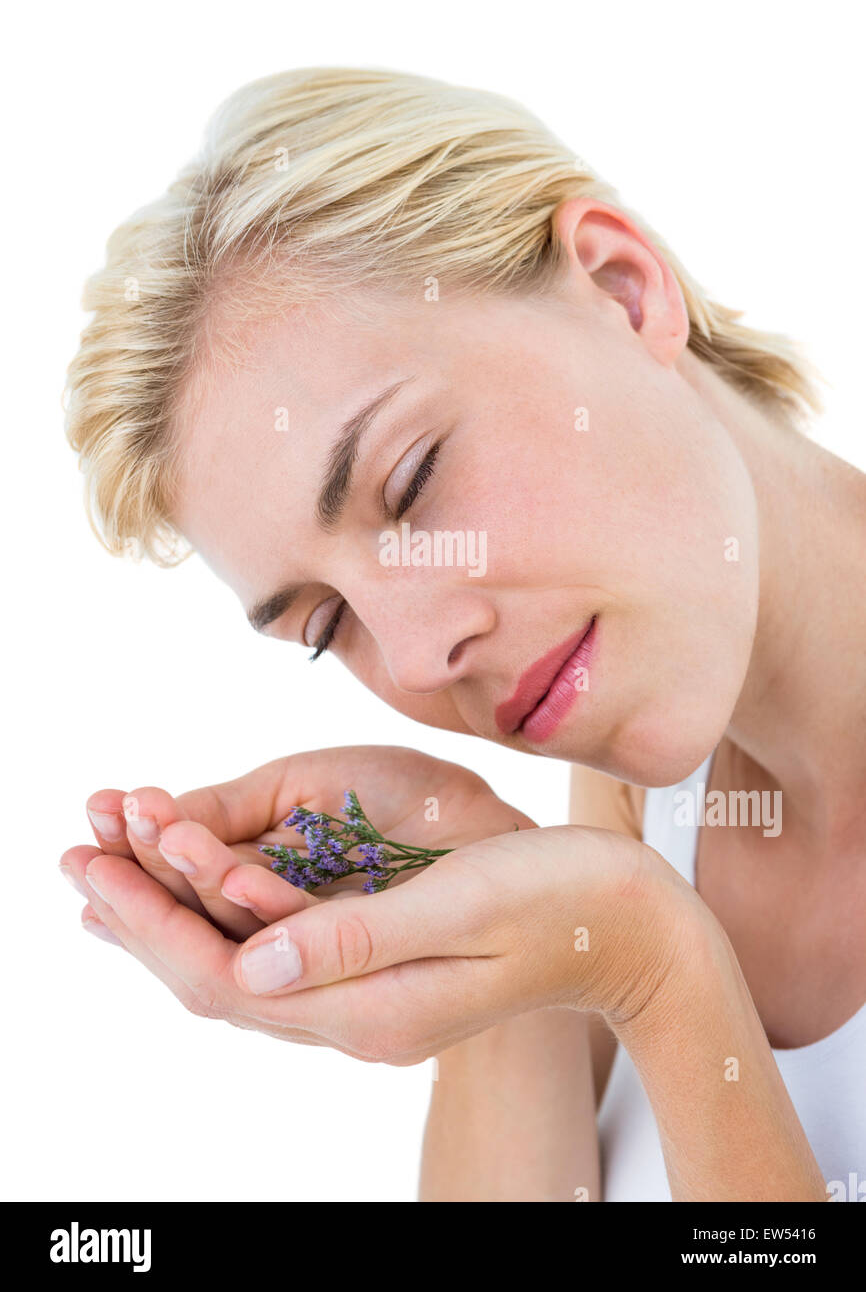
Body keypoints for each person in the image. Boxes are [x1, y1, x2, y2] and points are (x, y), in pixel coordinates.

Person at [60, 66, 865, 1202]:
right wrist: (491, 933)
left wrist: (654, 970)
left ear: (623, 288)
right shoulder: (642, 800)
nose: (419, 655)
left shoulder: (636, 867)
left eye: (414, 479)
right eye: (327, 622)